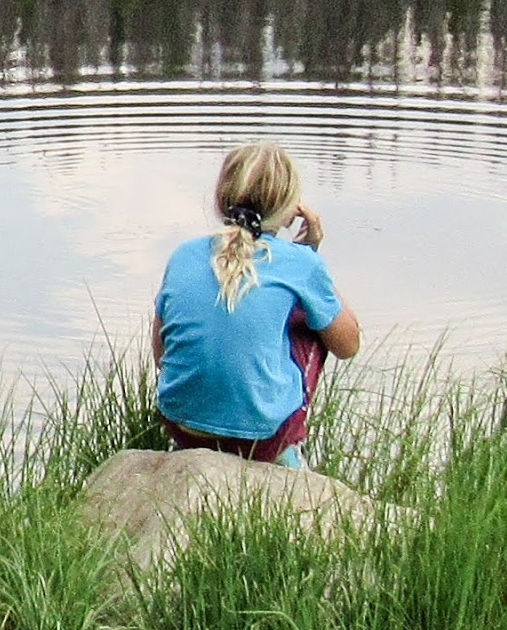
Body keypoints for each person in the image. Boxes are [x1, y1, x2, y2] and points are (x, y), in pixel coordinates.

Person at [148, 141, 363, 464]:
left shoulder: (183, 255)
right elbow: (348, 345)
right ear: (290, 212)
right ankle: (287, 460)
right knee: (309, 320)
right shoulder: (300, 263)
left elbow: (161, 355)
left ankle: (192, 453)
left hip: (181, 426)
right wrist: (311, 258)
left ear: (221, 200)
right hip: (262, 439)